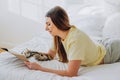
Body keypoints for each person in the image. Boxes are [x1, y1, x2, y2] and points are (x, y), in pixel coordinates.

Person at [24, 6, 120, 77]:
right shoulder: (57, 36)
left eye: (49, 24)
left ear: (58, 23)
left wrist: (39, 68)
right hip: (102, 45)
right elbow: (50, 55)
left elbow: (71, 73)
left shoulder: (75, 39)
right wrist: (31, 54)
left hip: (111, 51)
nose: (46, 28)